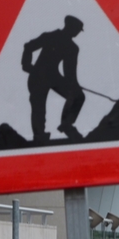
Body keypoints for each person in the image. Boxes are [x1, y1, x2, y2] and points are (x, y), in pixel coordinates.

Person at [22, 15, 86, 144]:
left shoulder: (72, 47)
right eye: (78, 30)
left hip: (51, 76)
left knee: (78, 96)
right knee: (38, 105)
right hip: (38, 76)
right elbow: (28, 46)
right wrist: (27, 65)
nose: (78, 33)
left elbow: (70, 72)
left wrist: (74, 86)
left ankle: (66, 123)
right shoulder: (51, 37)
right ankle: (40, 135)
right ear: (71, 28)